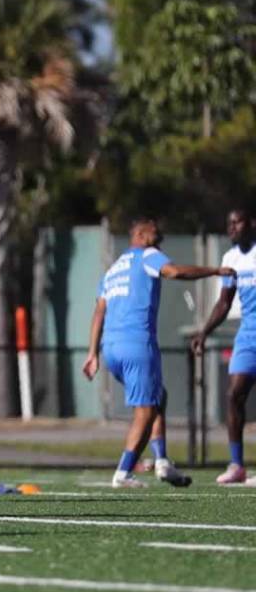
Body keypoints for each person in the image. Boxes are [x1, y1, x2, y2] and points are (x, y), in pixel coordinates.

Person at [83, 217, 232, 488]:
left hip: (111, 348)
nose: (159, 232)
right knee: (146, 410)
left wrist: (92, 352)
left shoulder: (113, 268)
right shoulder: (148, 255)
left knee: (158, 396)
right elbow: (174, 272)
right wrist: (214, 271)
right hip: (137, 343)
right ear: (139, 233)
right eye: (154, 228)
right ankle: (123, 473)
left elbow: (99, 311)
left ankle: (162, 461)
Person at [192, 207, 256, 484]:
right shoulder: (230, 259)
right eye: (228, 223)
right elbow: (224, 302)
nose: (231, 228)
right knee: (233, 395)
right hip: (248, 333)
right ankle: (237, 465)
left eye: (237, 222)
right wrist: (204, 332)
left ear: (251, 224)